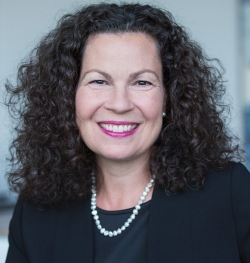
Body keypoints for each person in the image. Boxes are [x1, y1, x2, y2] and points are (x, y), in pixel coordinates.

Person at [5, 3, 250, 263]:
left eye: (142, 82)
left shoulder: (230, 193)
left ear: (169, 98)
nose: (120, 104)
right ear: (68, 96)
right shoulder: (35, 210)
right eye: (99, 81)